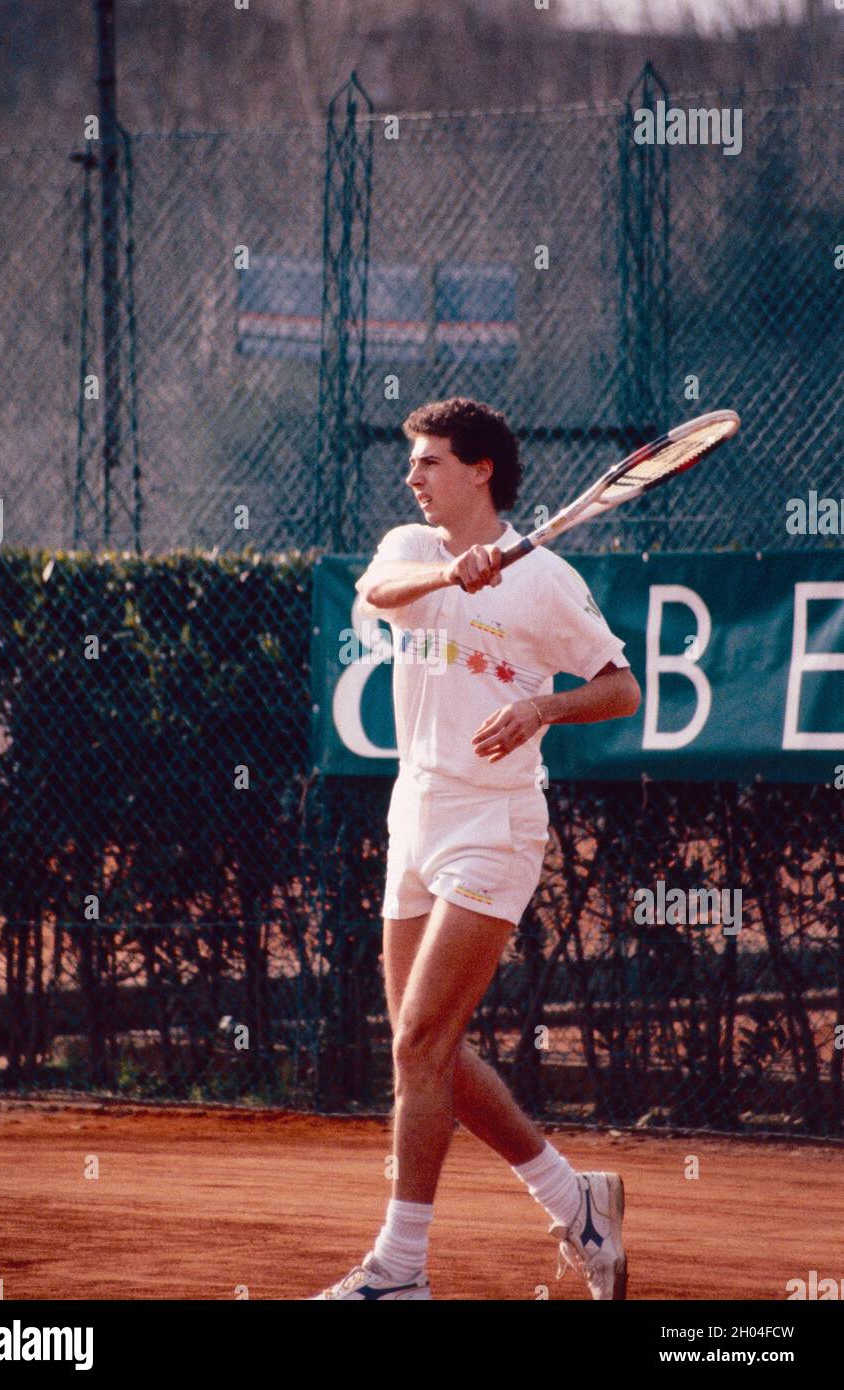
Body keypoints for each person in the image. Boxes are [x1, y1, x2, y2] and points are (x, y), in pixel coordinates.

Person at [310, 398, 640, 1301]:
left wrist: (542, 706)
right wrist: (457, 573)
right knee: (431, 1050)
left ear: (481, 470)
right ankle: (578, 1202)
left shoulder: (548, 585)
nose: (412, 477)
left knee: (419, 1038)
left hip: (493, 826)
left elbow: (622, 688)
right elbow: (374, 595)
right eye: (414, 463)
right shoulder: (412, 550)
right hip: (412, 815)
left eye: (430, 462)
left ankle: (399, 1272)